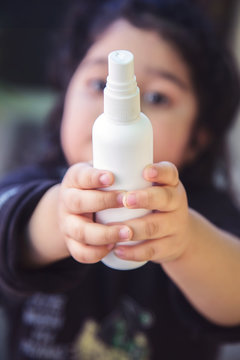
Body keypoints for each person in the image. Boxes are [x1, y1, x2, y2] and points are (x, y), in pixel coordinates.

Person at [0, 0, 240, 359]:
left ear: (197, 138)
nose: (120, 111)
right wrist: (53, 220)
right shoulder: (33, 190)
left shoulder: (203, 213)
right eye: (98, 84)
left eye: (158, 96)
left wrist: (187, 243)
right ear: (66, 95)